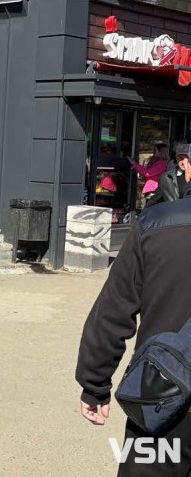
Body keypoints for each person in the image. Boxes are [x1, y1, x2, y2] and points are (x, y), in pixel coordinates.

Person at [75, 143, 191, 475]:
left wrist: (95, 383)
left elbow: (113, 311)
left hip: (165, 396)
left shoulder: (157, 224)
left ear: (185, 163)